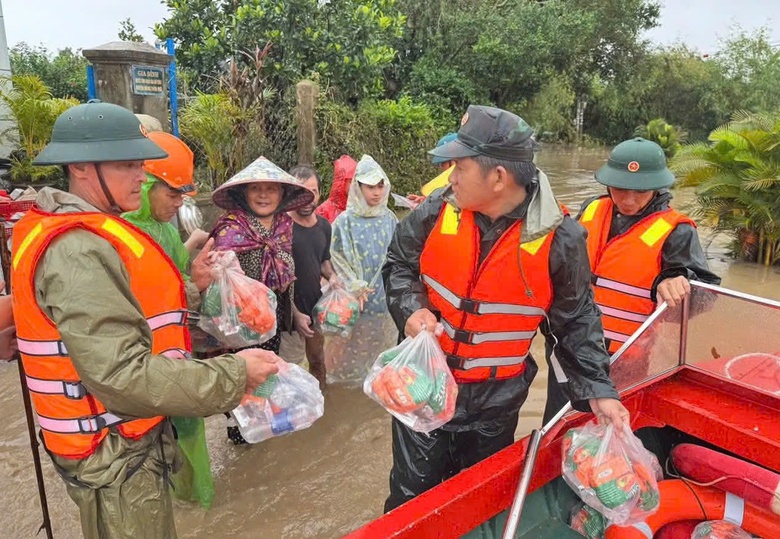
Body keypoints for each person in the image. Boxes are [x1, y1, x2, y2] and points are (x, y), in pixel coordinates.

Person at [10, 101, 280, 539]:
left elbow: (131, 312)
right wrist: (235, 374)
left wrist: (192, 289)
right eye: (128, 164)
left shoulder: (85, 230)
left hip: (122, 448)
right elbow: (121, 375)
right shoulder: (78, 248)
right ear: (80, 167)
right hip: (113, 456)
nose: (142, 175)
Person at [380, 105, 628, 512]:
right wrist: (410, 308)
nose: (451, 176)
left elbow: (577, 322)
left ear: (498, 177)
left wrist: (599, 390)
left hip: (494, 403)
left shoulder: (561, 240)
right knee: (411, 498)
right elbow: (399, 265)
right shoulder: (435, 210)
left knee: (477, 501)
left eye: (460, 166)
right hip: (423, 384)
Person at [543, 137, 721, 422]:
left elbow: (705, 295)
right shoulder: (591, 209)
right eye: (620, 188)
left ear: (656, 187)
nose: (628, 199)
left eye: (639, 191)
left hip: (626, 361)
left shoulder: (677, 231)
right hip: (569, 350)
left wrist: (676, 280)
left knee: (611, 437)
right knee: (557, 426)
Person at [121, 131, 215, 508]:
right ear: (147, 186)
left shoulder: (164, 230)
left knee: (187, 434)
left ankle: (194, 504)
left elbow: (179, 280)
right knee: (146, 451)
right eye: (172, 193)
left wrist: (200, 275)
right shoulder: (119, 234)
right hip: (140, 367)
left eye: (182, 195)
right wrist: (194, 285)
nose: (178, 203)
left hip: (176, 355)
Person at [210, 156, 315, 443]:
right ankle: (240, 437)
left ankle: (264, 432)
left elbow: (285, 280)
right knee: (242, 384)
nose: (264, 195)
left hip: (274, 323)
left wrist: (293, 314)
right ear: (244, 194)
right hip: (241, 326)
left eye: (271, 189)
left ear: (282, 194)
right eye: (256, 188)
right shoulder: (231, 227)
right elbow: (217, 287)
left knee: (267, 378)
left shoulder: (283, 225)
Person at [326, 155, 398, 384]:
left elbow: (398, 256)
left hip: (383, 298)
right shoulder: (344, 222)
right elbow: (334, 256)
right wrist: (351, 283)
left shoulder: (390, 220)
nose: (376, 192)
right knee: (350, 343)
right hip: (354, 300)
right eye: (370, 187)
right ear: (358, 187)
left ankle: (376, 382)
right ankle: (347, 384)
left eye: (380, 186)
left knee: (380, 341)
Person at [280, 164, 335, 388]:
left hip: (315, 309)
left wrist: (334, 278)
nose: (308, 198)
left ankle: (322, 411)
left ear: (320, 193)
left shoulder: (324, 226)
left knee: (318, 362)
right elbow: (275, 279)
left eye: (313, 191)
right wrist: (295, 314)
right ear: (290, 193)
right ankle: (291, 418)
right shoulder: (280, 227)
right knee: (287, 370)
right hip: (286, 315)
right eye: (301, 191)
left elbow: (323, 260)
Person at [408, 132, 458, 207]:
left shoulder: (467, 186)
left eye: (443, 163)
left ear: (456, 160)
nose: (441, 167)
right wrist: (425, 201)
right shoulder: (447, 185)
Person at [315, 155, 357, 223]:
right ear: (341, 182)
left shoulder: (359, 209)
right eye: (351, 181)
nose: (355, 185)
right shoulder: (323, 211)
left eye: (356, 181)